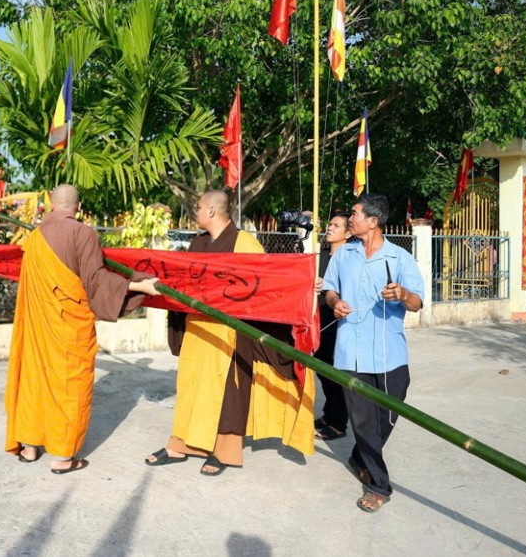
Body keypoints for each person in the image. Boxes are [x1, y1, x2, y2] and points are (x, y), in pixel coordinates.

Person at [145, 190, 315, 476]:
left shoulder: (245, 243)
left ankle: (224, 452)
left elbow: (265, 287)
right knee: (190, 389)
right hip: (197, 331)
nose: (195, 213)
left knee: (228, 393)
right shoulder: (197, 243)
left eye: (198, 207)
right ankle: (181, 444)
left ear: (211, 210)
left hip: (231, 333)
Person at [5, 184, 160, 474]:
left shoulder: (35, 237)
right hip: (67, 327)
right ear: (77, 207)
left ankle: (28, 447)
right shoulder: (82, 233)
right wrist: (138, 285)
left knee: (35, 380)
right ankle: (63, 457)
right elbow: (96, 280)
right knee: (69, 385)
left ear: (51, 204)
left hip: (38, 325)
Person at [323, 193, 424, 513]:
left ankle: (358, 456)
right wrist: (334, 303)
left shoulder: (399, 259)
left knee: (389, 413)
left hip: (390, 352)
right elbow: (329, 289)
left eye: (354, 214)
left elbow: (418, 303)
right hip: (350, 351)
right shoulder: (343, 255)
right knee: (364, 421)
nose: (349, 219)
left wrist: (403, 294)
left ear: (372, 221)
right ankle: (378, 485)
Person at [313, 212, 352, 440]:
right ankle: (330, 414)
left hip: (337, 319)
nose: (330, 228)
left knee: (334, 371)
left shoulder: (350, 259)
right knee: (321, 366)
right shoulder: (321, 255)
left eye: (336, 225)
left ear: (347, 233)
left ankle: (339, 422)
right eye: (330, 224)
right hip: (318, 316)